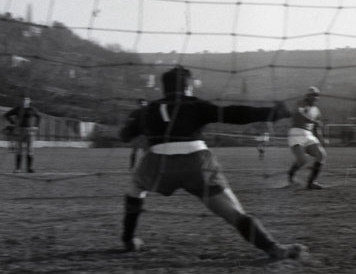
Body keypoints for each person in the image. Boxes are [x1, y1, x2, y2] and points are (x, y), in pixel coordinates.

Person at [119, 66, 304, 260]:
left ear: (164, 88)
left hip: (158, 164)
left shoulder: (147, 110)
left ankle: (128, 239)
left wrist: (136, 120)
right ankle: (273, 247)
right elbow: (233, 113)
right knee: (235, 214)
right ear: (188, 87)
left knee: (135, 188)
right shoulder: (195, 104)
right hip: (197, 163)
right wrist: (273, 113)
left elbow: (124, 136)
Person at [287, 86, 326, 189]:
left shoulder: (317, 110)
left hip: (309, 134)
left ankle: (311, 182)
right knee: (302, 161)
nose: (315, 97)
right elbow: (299, 113)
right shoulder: (301, 103)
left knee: (321, 155)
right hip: (296, 132)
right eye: (313, 95)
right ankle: (290, 175)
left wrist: (321, 138)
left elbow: (317, 127)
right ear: (308, 96)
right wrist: (313, 121)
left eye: (317, 95)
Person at [4, 96, 41, 173]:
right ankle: (18, 168)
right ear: (21, 101)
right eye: (23, 100)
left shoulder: (32, 109)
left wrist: (36, 126)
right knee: (19, 150)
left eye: (26, 100)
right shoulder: (18, 109)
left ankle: (29, 168)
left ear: (29, 101)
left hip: (30, 131)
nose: (24, 101)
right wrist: (13, 122)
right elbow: (6, 115)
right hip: (20, 131)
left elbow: (38, 117)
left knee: (30, 150)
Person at [128, 98, 148, 170]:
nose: (143, 105)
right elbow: (130, 123)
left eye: (144, 103)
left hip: (144, 135)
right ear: (139, 104)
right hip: (138, 135)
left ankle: (142, 166)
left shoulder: (147, 113)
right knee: (136, 151)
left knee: (144, 151)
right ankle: (132, 166)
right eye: (142, 103)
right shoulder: (135, 113)